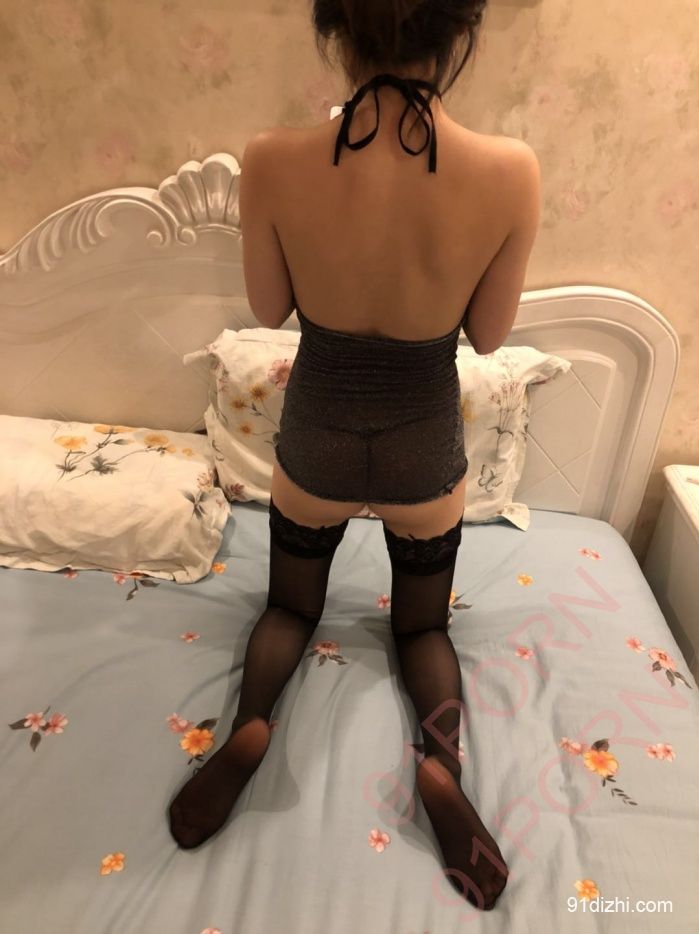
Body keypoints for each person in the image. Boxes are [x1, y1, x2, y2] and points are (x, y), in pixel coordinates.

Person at [169, 0, 540, 912]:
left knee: (290, 608)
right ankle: (442, 764)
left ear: (334, 31)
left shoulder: (272, 159)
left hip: (319, 438)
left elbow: (268, 310)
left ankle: (252, 725)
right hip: (422, 445)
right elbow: (491, 336)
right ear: (460, 35)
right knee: (422, 630)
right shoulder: (510, 171)